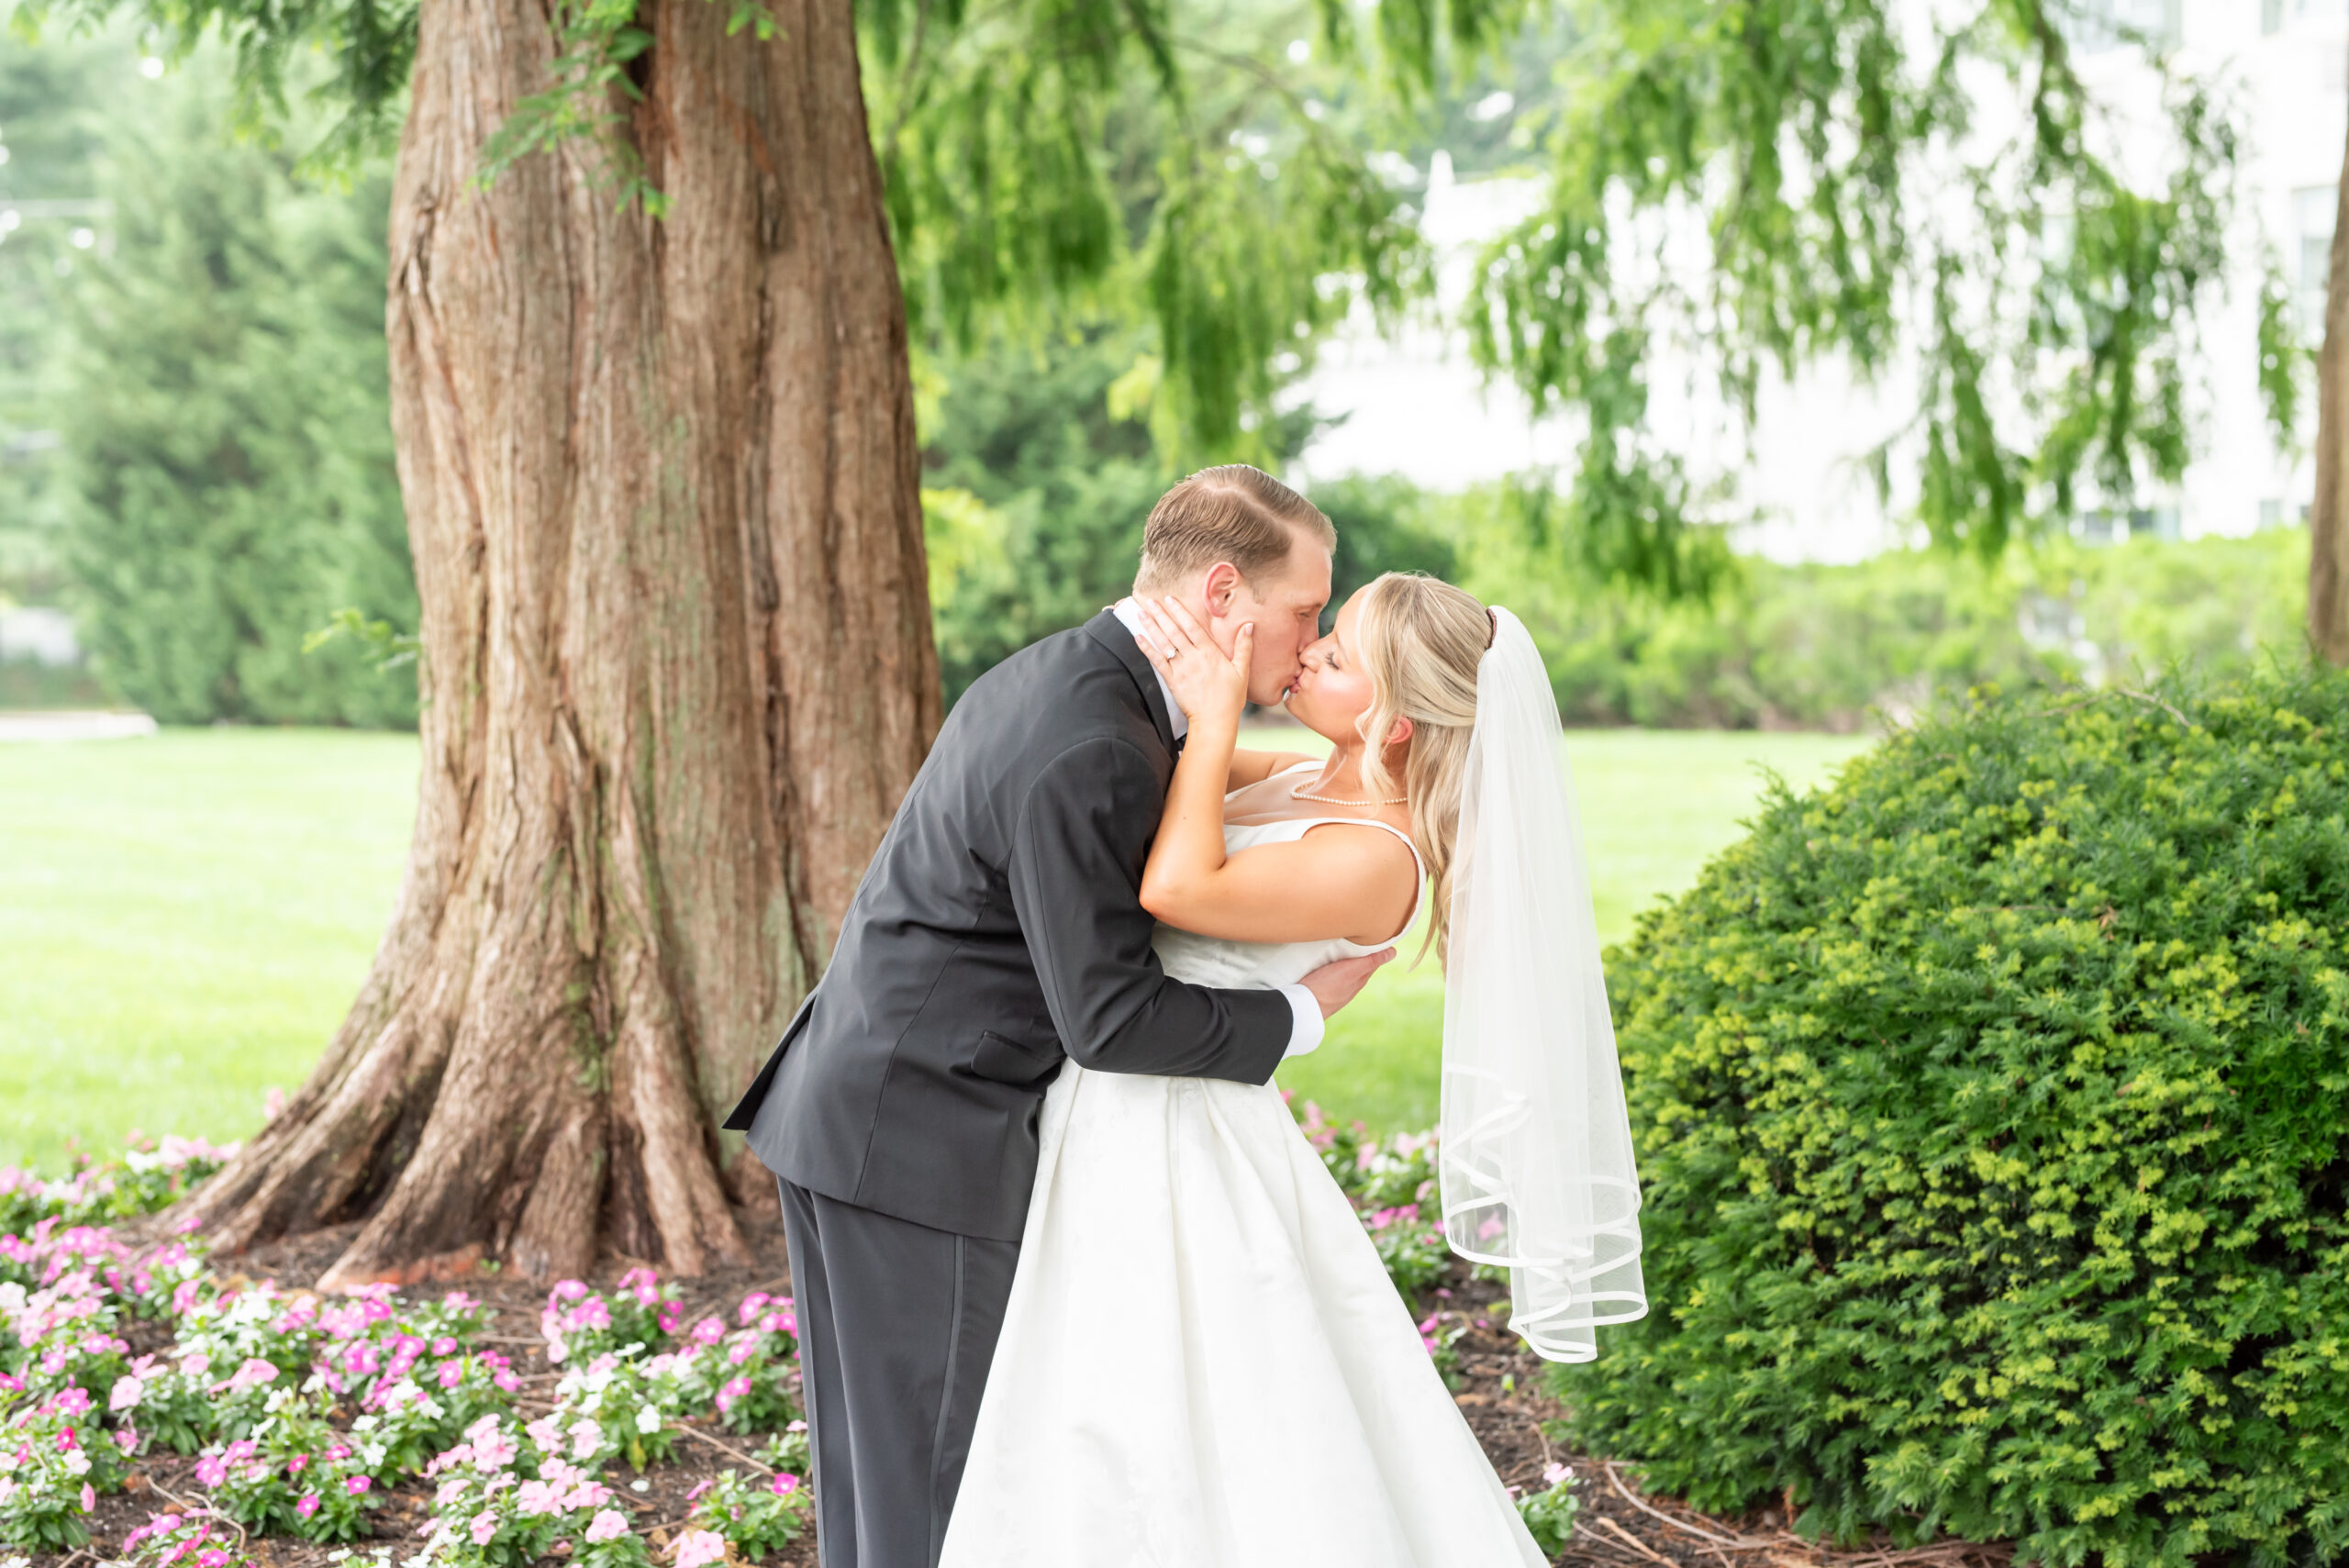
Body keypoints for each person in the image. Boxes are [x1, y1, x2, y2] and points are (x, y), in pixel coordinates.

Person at [722, 466, 1394, 1568]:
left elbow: (1215, 793)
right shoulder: (1094, 736)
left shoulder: (1093, 684)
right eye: (1305, 611)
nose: (1309, 636)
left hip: (868, 1109)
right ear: (1223, 596)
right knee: (939, 1493)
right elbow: (1110, 1017)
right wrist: (1296, 1016)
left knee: (889, 1484)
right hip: (915, 1138)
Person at [934, 572, 1649, 1567]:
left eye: (1338, 653)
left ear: (1395, 721)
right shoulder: (1313, 776)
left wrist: (1218, 711)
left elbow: (1177, 885)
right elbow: (1153, 757)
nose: (1309, 652)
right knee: (1093, 1398)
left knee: (1178, 1399)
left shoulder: (1376, 852)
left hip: (1180, 1124)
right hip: (1116, 1093)